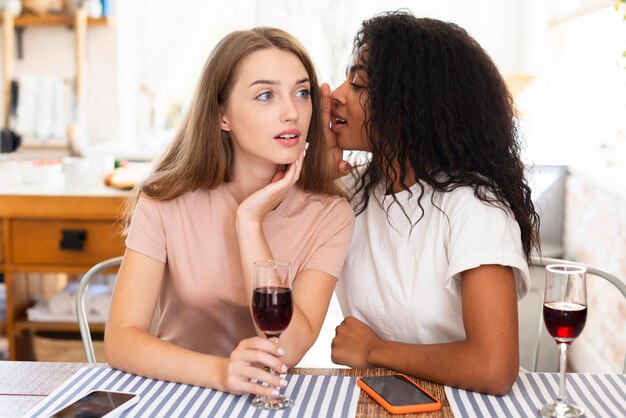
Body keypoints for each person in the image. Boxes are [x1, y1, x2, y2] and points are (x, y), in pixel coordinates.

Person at [104, 27, 355, 397]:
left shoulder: (330, 215)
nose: (292, 112)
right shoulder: (165, 198)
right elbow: (121, 340)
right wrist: (222, 373)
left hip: (267, 398)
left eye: (302, 93)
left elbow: (289, 348)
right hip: (173, 392)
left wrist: (249, 222)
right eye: (266, 95)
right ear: (222, 116)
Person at [323, 11, 540, 395]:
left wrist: (374, 350)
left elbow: (493, 368)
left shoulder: (475, 207)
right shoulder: (351, 191)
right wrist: (315, 166)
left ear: (410, 106)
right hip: (380, 398)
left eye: (358, 83)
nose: (337, 94)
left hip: (465, 403)